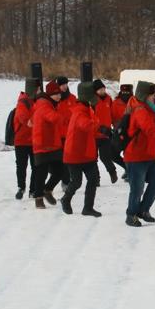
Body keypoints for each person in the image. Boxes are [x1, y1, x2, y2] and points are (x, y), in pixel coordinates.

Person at [123, 81, 155, 227]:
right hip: (136, 156)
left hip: (148, 154)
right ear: (145, 96)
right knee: (137, 188)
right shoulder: (140, 110)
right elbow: (149, 130)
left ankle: (143, 210)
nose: (154, 97)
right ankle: (131, 214)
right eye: (152, 95)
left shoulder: (148, 109)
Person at [60, 82, 102, 217]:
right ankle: (65, 199)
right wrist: (98, 126)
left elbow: (90, 129)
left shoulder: (86, 108)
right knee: (77, 182)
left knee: (93, 179)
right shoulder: (79, 111)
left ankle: (88, 208)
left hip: (86, 153)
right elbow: (86, 125)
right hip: (75, 154)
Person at [31, 80, 66, 209]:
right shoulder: (44, 104)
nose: (58, 96)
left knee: (60, 171)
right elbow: (53, 118)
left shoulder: (50, 104)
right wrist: (64, 117)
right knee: (41, 173)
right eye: (55, 94)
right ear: (49, 95)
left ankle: (47, 190)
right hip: (42, 144)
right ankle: (38, 198)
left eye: (59, 94)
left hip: (53, 143)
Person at [13, 78, 40, 199]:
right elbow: (24, 119)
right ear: (33, 89)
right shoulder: (23, 102)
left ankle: (33, 190)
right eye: (38, 88)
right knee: (21, 165)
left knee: (36, 166)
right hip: (22, 141)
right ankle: (21, 187)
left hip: (33, 140)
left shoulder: (36, 101)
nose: (40, 90)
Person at [93, 79, 121, 184]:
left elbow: (112, 114)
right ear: (95, 91)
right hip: (94, 134)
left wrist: (116, 125)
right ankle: (96, 179)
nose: (102, 90)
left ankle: (112, 171)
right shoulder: (93, 100)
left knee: (105, 157)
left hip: (106, 133)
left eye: (103, 88)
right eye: (100, 89)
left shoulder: (109, 99)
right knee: (93, 158)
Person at [56, 77, 76, 189]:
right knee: (58, 160)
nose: (64, 86)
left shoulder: (72, 98)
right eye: (62, 84)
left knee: (68, 159)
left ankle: (66, 181)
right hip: (57, 135)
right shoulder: (54, 100)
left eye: (66, 84)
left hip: (69, 134)